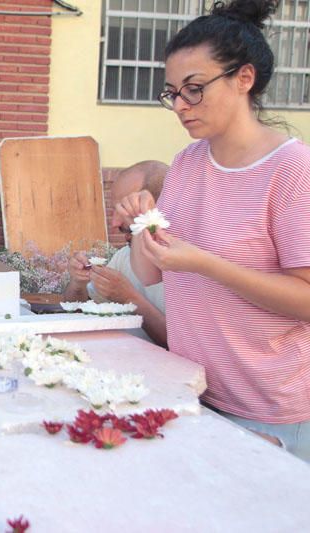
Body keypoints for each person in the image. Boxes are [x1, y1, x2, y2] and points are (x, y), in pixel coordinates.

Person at [116, 0, 310, 461]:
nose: (180, 106)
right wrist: (144, 220)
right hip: (194, 389)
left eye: (195, 89)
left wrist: (207, 265)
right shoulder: (187, 163)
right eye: (172, 93)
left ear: (244, 79)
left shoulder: (291, 170)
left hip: (268, 407)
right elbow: (151, 272)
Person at [63, 160, 169, 347]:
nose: (113, 223)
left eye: (125, 208)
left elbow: (181, 344)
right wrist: (78, 283)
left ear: (155, 205)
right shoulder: (123, 256)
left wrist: (129, 297)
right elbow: (79, 312)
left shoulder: (188, 265)